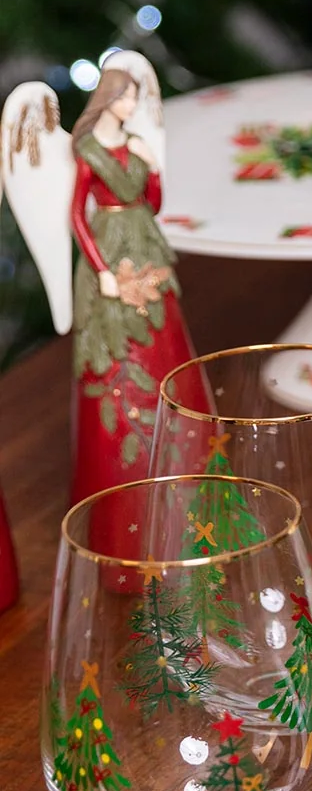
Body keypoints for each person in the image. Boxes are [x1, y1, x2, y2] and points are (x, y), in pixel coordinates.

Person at [69, 63, 198, 501]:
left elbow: (154, 203)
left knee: (165, 338)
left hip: (145, 242)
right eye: (124, 97)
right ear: (107, 97)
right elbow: (75, 216)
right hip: (111, 245)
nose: (129, 107)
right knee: (118, 349)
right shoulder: (87, 150)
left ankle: (185, 463)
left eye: (134, 100)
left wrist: (153, 167)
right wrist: (103, 272)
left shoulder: (136, 145)